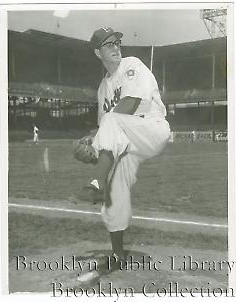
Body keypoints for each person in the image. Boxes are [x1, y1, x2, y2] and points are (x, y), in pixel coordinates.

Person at [80, 27, 170, 267]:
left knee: (111, 120)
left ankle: (96, 181)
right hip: (126, 143)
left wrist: (96, 145)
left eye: (117, 42)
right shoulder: (103, 88)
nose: (116, 47)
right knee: (115, 193)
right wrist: (90, 146)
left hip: (151, 129)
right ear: (98, 53)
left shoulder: (131, 64)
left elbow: (129, 104)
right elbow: (109, 135)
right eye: (108, 44)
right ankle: (118, 253)